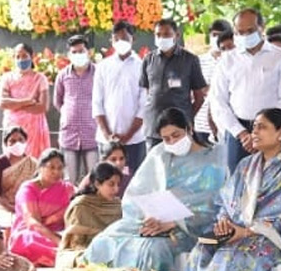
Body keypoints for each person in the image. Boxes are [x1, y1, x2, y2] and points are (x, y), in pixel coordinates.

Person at [85, 108, 226, 271]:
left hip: (189, 227)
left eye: (176, 135)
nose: (172, 142)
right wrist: (148, 217)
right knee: (103, 240)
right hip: (151, 222)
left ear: (189, 129)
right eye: (166, 138)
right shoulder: (160, 154)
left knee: (153, 250)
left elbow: (215, 203)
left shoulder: (214, 159)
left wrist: (175, 222)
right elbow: (137, 194)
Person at [184, 108, 281, 271]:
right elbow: (226, 202)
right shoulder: (246, 164)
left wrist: (245, 232)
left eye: (262, 127)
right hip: (236, 232)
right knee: (200, 251)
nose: (255, 132)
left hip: (272, 239)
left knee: (235, 258)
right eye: (254, 128)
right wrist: (224, 223)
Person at [209, 7, 281, 171]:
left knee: (271, 184)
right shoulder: (227, 60)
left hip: (271, 130)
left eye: (250, 31)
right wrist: (242, 134)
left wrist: (264, 131)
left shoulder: (280, 56)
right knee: (238, 184)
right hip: (238, 132)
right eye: (240, 32)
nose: (245, 36)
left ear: (262, 28)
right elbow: (218, 101)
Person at [141, 17, 208, 147]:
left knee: (182, 165)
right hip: (154, 129)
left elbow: (199, 98)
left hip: (180, 130)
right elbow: (148, 93)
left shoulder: (190, 60)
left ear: (176, 35)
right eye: (158, 35)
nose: (161, 38)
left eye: (166, 34)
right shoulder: (148, 59)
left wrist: (186, 118)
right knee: (156, 166)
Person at [93, 20, 149, 173]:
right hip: (106, 140)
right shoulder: (103, 67)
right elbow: (97, 103)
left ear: (133, 39)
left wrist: (128, 135)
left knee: (133, 181)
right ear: (111, 40)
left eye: (125, 38)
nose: (121, 42)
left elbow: (143, 105)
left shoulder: (142, 66)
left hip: (135, 139)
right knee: (105, 180)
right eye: (117, 39)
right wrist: (107, 134)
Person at [9, 148, 73, 268]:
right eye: (52, 167)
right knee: (28, 239)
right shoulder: (28, 189)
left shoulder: (67, 189)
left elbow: (77, 206)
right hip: (31, 234)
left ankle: (67, 255)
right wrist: (58, 241)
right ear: (40, 168)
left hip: (59, 233)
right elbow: (32, 223)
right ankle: (66, 257)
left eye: (60, 168)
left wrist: (56, 222)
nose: (56, 172)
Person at [58, 161, 123, 265]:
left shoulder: (117, 205)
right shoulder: (81, 206)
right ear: (97, 184)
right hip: (84, 251)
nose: (116, 189)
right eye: (111, 184)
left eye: (118, 185)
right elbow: (75, 244)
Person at [53, 35, 99, 184]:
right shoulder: (63, 76)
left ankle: (92, 207)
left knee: (94, 179)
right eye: (74, 52)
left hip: (92, 134)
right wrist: (69, 114)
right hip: (69, 136)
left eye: (81, 51)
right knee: (69, 181)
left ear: (89, 52)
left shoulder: (98, 73)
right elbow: (58, 101)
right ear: (69, 55)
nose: (78, 55)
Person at [0, 43, 51, 159]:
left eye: (24, 56)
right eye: (17, 57)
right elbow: (2, 103)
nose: (21, 60)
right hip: (12, 127)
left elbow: (42, 107)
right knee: (12, 161)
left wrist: (14, 105)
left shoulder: (40, 78)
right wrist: (28, 101)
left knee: (34, 163)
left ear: (31, 56)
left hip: (34, 129)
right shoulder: (7, 78)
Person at [0, 126, 39, 218]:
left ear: (26, 142)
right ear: (6, 144)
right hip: (3, 206)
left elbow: (38, 191)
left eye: (21, 140)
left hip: (27, 206)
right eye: (12, 141)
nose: (17, 144)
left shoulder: (33, 164)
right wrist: (12, 208)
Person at [197, 18, 233, 141]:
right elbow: (195, 89)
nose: (216, 38)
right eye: (214, 35)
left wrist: (211, 89)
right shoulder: (199, 60)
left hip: (224, 123)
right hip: (200, 123)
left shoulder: (232, 61)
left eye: (220, 35)